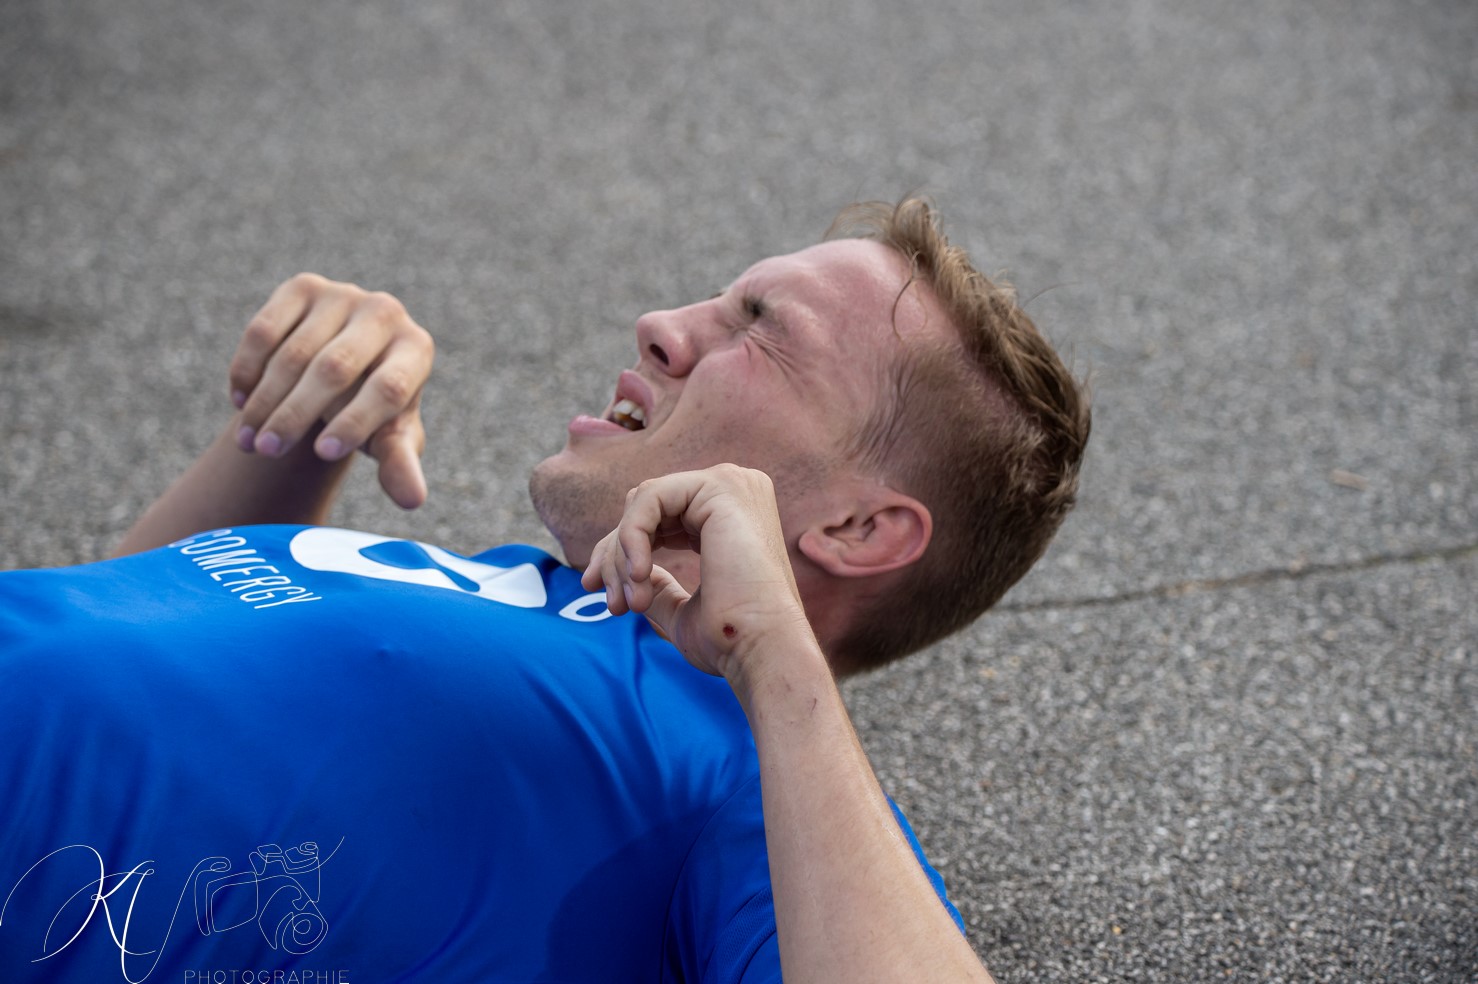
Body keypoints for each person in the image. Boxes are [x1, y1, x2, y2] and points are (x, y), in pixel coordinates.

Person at [0, 198, 1089, 982]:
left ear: (855, 528)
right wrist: (298, 427)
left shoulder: (751, 790)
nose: (662, 324)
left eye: (760, 332)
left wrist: (775, 659)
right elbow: (113, 628)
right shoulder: (516, 593)